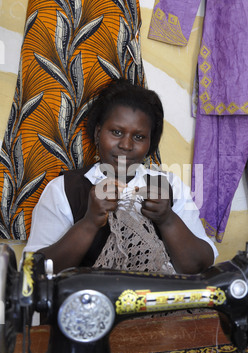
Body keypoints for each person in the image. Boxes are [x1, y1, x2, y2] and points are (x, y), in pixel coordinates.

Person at [24, 79, 217, 274]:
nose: (126, 145)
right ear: (98, 133)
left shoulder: (170, 186)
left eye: (139, 137)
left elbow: (199, 267)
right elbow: (37, 272)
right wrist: (89, 223)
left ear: (150, 144)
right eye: (116, 132)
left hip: (159, 302)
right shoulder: (64, 189)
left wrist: (167, 219)